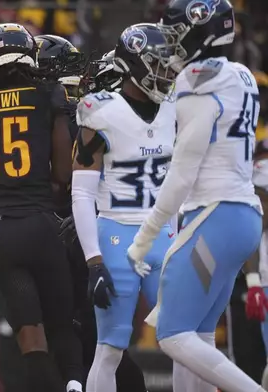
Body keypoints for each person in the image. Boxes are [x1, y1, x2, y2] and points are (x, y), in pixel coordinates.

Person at [126, 1, 265, 391]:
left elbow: (183, 171)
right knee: (198, 335)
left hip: (215, 215)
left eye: (176, 34)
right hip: (244, 217)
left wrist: (144, 237)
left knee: (172, 335)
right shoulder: (242, 74)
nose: (171, 44)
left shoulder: (196, 79)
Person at [0, 23, 82, 392]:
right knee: (62, 327)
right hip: (44, 223)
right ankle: (74, 385)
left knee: (29, 336)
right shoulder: (46, 93)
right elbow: (62, 173)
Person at [71, 23, 177, 392]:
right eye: (158, 63)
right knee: (110, 347)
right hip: (117, 233)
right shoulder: (100, 109)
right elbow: (82, 194)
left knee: (186, 340)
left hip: (164, 233)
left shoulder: (174, 107)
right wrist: (94, 261)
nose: (167, 72)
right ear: (134, 62)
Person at [39, 36, 148, 392]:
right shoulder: (76, 111)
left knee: (86, 337)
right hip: (83, 228)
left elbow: (67, 180)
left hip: (77, 232)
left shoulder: (76, 114)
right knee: (89, 338)